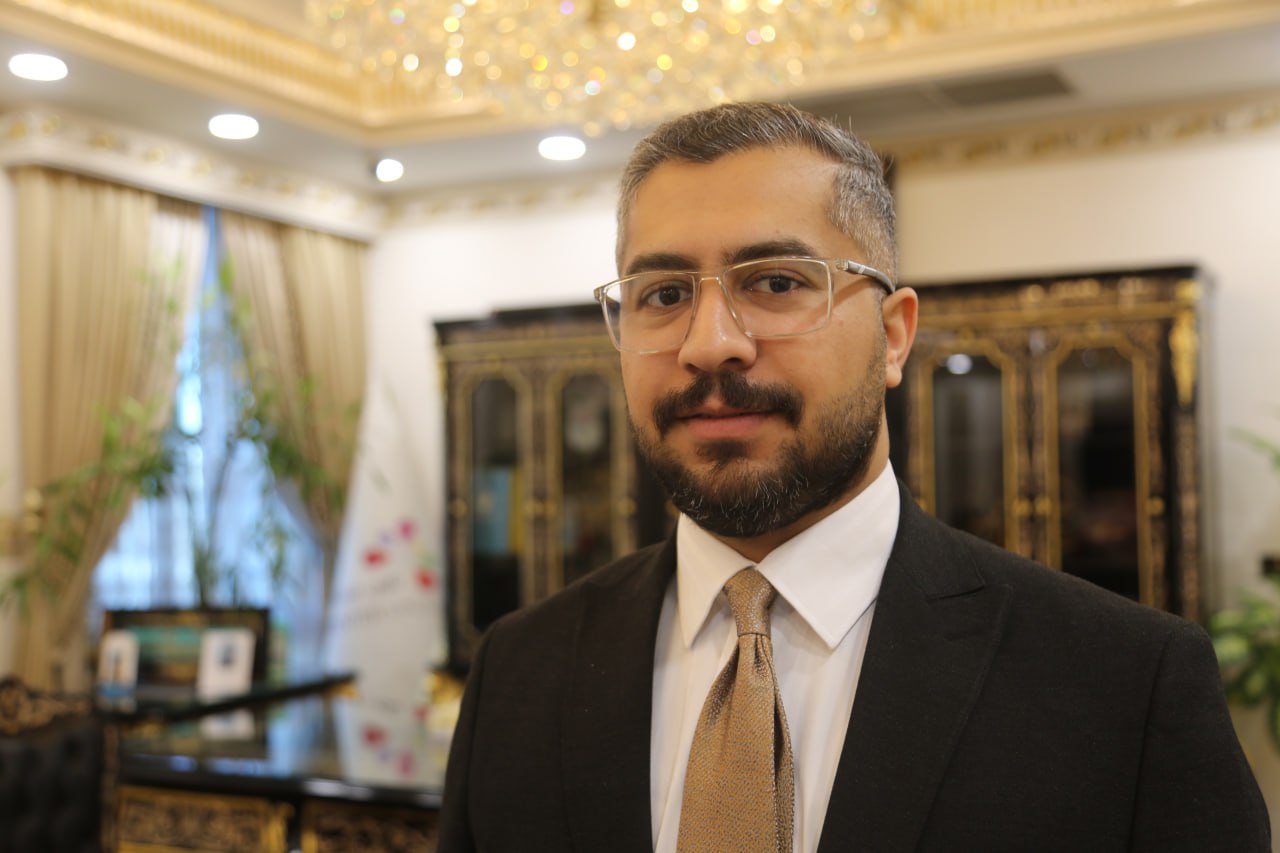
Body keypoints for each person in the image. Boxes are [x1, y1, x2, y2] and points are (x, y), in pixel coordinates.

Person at [438, 101, 1269, 852]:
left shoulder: (1125, 686)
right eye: (662, 295)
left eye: (775, 282)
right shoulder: (520, 670)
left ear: (894, 335)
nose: (710, 343)